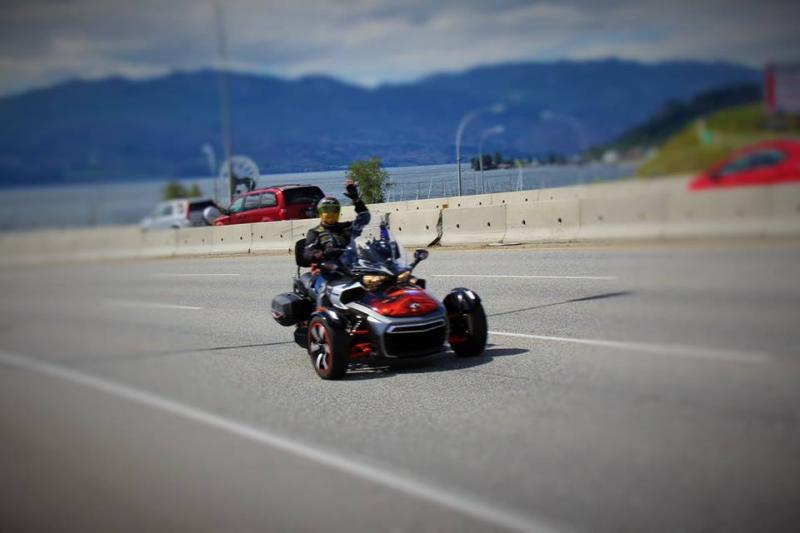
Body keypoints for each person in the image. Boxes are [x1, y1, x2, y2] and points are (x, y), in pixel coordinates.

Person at [303, 179, 369, 300]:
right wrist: (321, 254)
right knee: (324, 293)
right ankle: (319, 316)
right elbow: (307, 254)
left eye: (333, 210)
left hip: (350, 269)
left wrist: (356, 199)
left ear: (338, 212)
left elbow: (365, 217)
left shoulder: (347, 228)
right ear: (320, 212)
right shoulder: (315, 232)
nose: (330, 213)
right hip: (326, 272)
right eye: (326, 210)